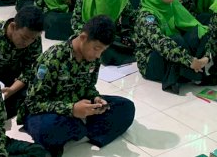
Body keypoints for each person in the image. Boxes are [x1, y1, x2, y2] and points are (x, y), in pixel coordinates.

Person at [19, 16, 136, 157]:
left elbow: (89, 86)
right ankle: (82, 128)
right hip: (50, 112)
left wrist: (96, 97)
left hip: (79, 106)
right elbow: (33, 103)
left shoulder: (93, 58)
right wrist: (72, 109)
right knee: (48, 129)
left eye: (103, 51)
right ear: (83, 37)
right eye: (96, 48)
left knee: (126, 107)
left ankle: (78, 130)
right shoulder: (54, 58)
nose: (98, 55)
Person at [134, 0, 217, 94]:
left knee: (199, 31)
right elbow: (160, 44)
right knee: (175, 39)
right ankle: (196, 75)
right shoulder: (147, 16)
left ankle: (193, 69)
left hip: (173, 53)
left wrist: (206, 58)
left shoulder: (173, 5)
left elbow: (193, 24)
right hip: (150, 63)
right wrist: (189, 60)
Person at [0, 5, 44, 118]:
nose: (28, 43)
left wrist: (12, 90)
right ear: (13, 26)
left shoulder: (33, 37)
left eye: (32, 39)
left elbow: (31, 67)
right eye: (24, 38)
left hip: (16, 78)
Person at [70, 0, 135, 65]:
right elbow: (75, 20)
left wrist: (125, 36)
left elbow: (133, 23)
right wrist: (89, 35)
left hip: (111, 38)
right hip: (89, 36)